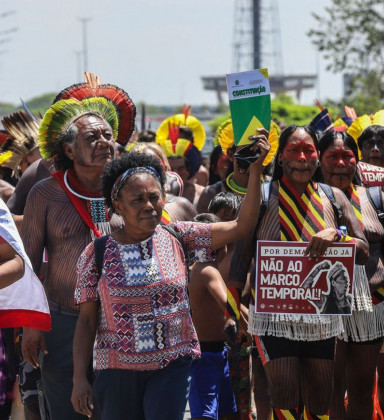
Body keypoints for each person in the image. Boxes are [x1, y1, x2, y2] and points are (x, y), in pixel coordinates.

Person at [71, 131, 270, 420]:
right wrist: (80, 379)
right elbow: (87, 322)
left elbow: (242, 225)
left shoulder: (181, 236)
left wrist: (255, 171)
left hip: (172, 367)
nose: (149, 205)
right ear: (118, 206)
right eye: (137, 199)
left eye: (154, 197)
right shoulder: (96, 254)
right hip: (116, 372)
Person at [228, 124, 369, 419]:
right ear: (280, 158)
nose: (302, 157)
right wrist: (233, 311)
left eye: (309, 150)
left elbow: (364, 250)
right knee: (285, 392)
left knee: (320, 399)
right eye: (294, 150)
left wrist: (337, 236)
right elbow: (240, 257)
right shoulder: (264, 196)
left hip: (321, 315)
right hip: (273, 316)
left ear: (318, 157)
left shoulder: (334, 198)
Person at [20, 78, 136, 420]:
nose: (104, 143)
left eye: (107, 136)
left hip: (120, 322)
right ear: (69, 151)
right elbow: (26, 262)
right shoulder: (45, 194)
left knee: (116, 410)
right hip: (62, 322)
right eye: (92, 138)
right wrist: (32, 323)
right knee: (66, 410)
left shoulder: (129, 190)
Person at [317, 130, 384, 420]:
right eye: (333, 156)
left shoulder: (375, 198)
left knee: (361, 387)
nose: (341, 163)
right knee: (331, 388)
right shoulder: (308, 199)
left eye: (348, 156)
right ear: (319, 160)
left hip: (372, 303)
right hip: (325, 307)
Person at [188, 213, 237, 420]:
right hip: (203, 357)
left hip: (217, 353)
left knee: (228, 412)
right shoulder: (206, 270)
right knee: (206, 414)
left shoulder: (200, 269)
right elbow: (229, 305)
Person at [156, 107, 206, 206]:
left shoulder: (203, 193)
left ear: (189, 169)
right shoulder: (155, 195)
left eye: (181, 168)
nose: (175, 174)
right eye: (170, 169)